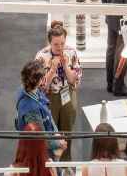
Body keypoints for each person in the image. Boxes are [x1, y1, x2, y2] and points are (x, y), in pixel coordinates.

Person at [35, 21, 82, 162]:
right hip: (49, 97)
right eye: (56, 44)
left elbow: (75, 80)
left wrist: (66, 66)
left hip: (67, 93)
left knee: (67, 131)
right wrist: (52, 70)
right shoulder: (41, 57)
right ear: (49, 42)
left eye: (62, 43)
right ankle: (49, 163)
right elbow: (41, 87)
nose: (60, 47)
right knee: (50, 132)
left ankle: (66, 163)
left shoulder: (71, 52)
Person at [15, 59, 65, 161]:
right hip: (38, 152)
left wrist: (56, 133)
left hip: (49, 138)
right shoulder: (31, 109)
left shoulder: (30, 90)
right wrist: (58, 142)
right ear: (39, 80)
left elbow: (48, 115)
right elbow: (41, 138)